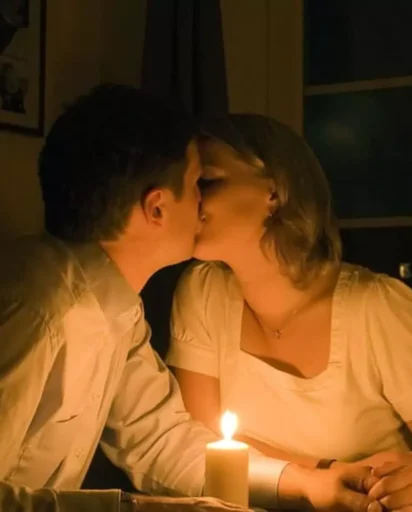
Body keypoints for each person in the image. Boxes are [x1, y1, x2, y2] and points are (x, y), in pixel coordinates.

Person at [0, 84, 380, 512]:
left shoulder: (117, 311)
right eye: (197, 182)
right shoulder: (37, 309)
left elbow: (160, 438)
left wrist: (307, 483)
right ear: (157, 209)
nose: (204, 200)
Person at [168, 114, 412, 512]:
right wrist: (328, 472)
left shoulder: (376, 310)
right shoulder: (202, 292)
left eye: (206, 181)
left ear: (275, 192)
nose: (187, 197)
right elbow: (203, 440)